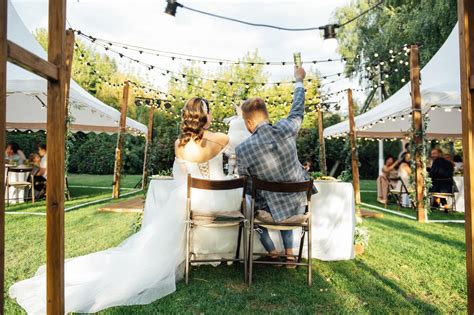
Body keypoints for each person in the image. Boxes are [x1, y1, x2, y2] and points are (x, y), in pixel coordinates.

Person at [10, 97, 245, 313]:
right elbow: (235, 139)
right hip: (216, 199)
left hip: (187, 198)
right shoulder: (220, 139)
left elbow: (179, 178)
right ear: (205, 116)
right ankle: (222, 253)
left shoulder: (179, 145)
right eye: (210, 112)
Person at [235, 66, 316, 267]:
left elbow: (247, 184)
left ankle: (272, 252)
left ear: (249, 123)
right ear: (266, 115)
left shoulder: (243, 149)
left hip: (270, 213)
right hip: (299, 206)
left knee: (251, 204)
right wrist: (298, 80)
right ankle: (289, 254)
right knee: (283, 198)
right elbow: (297, 109)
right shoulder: (286, 129)